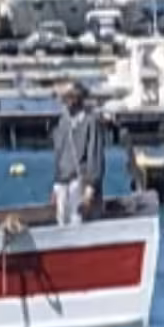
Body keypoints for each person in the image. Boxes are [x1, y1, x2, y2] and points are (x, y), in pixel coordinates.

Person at [50, 81, 106, 226]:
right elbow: (58, 155)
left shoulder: (90, 122)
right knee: (62, 225)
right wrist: (56, 186)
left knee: (78, 222)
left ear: (78, 98)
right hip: (63, 183)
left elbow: (95, 156)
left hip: (80, 182)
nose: (66, 101)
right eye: (65, 98)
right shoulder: (63, 121)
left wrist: (90, 189)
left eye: (70, 97)